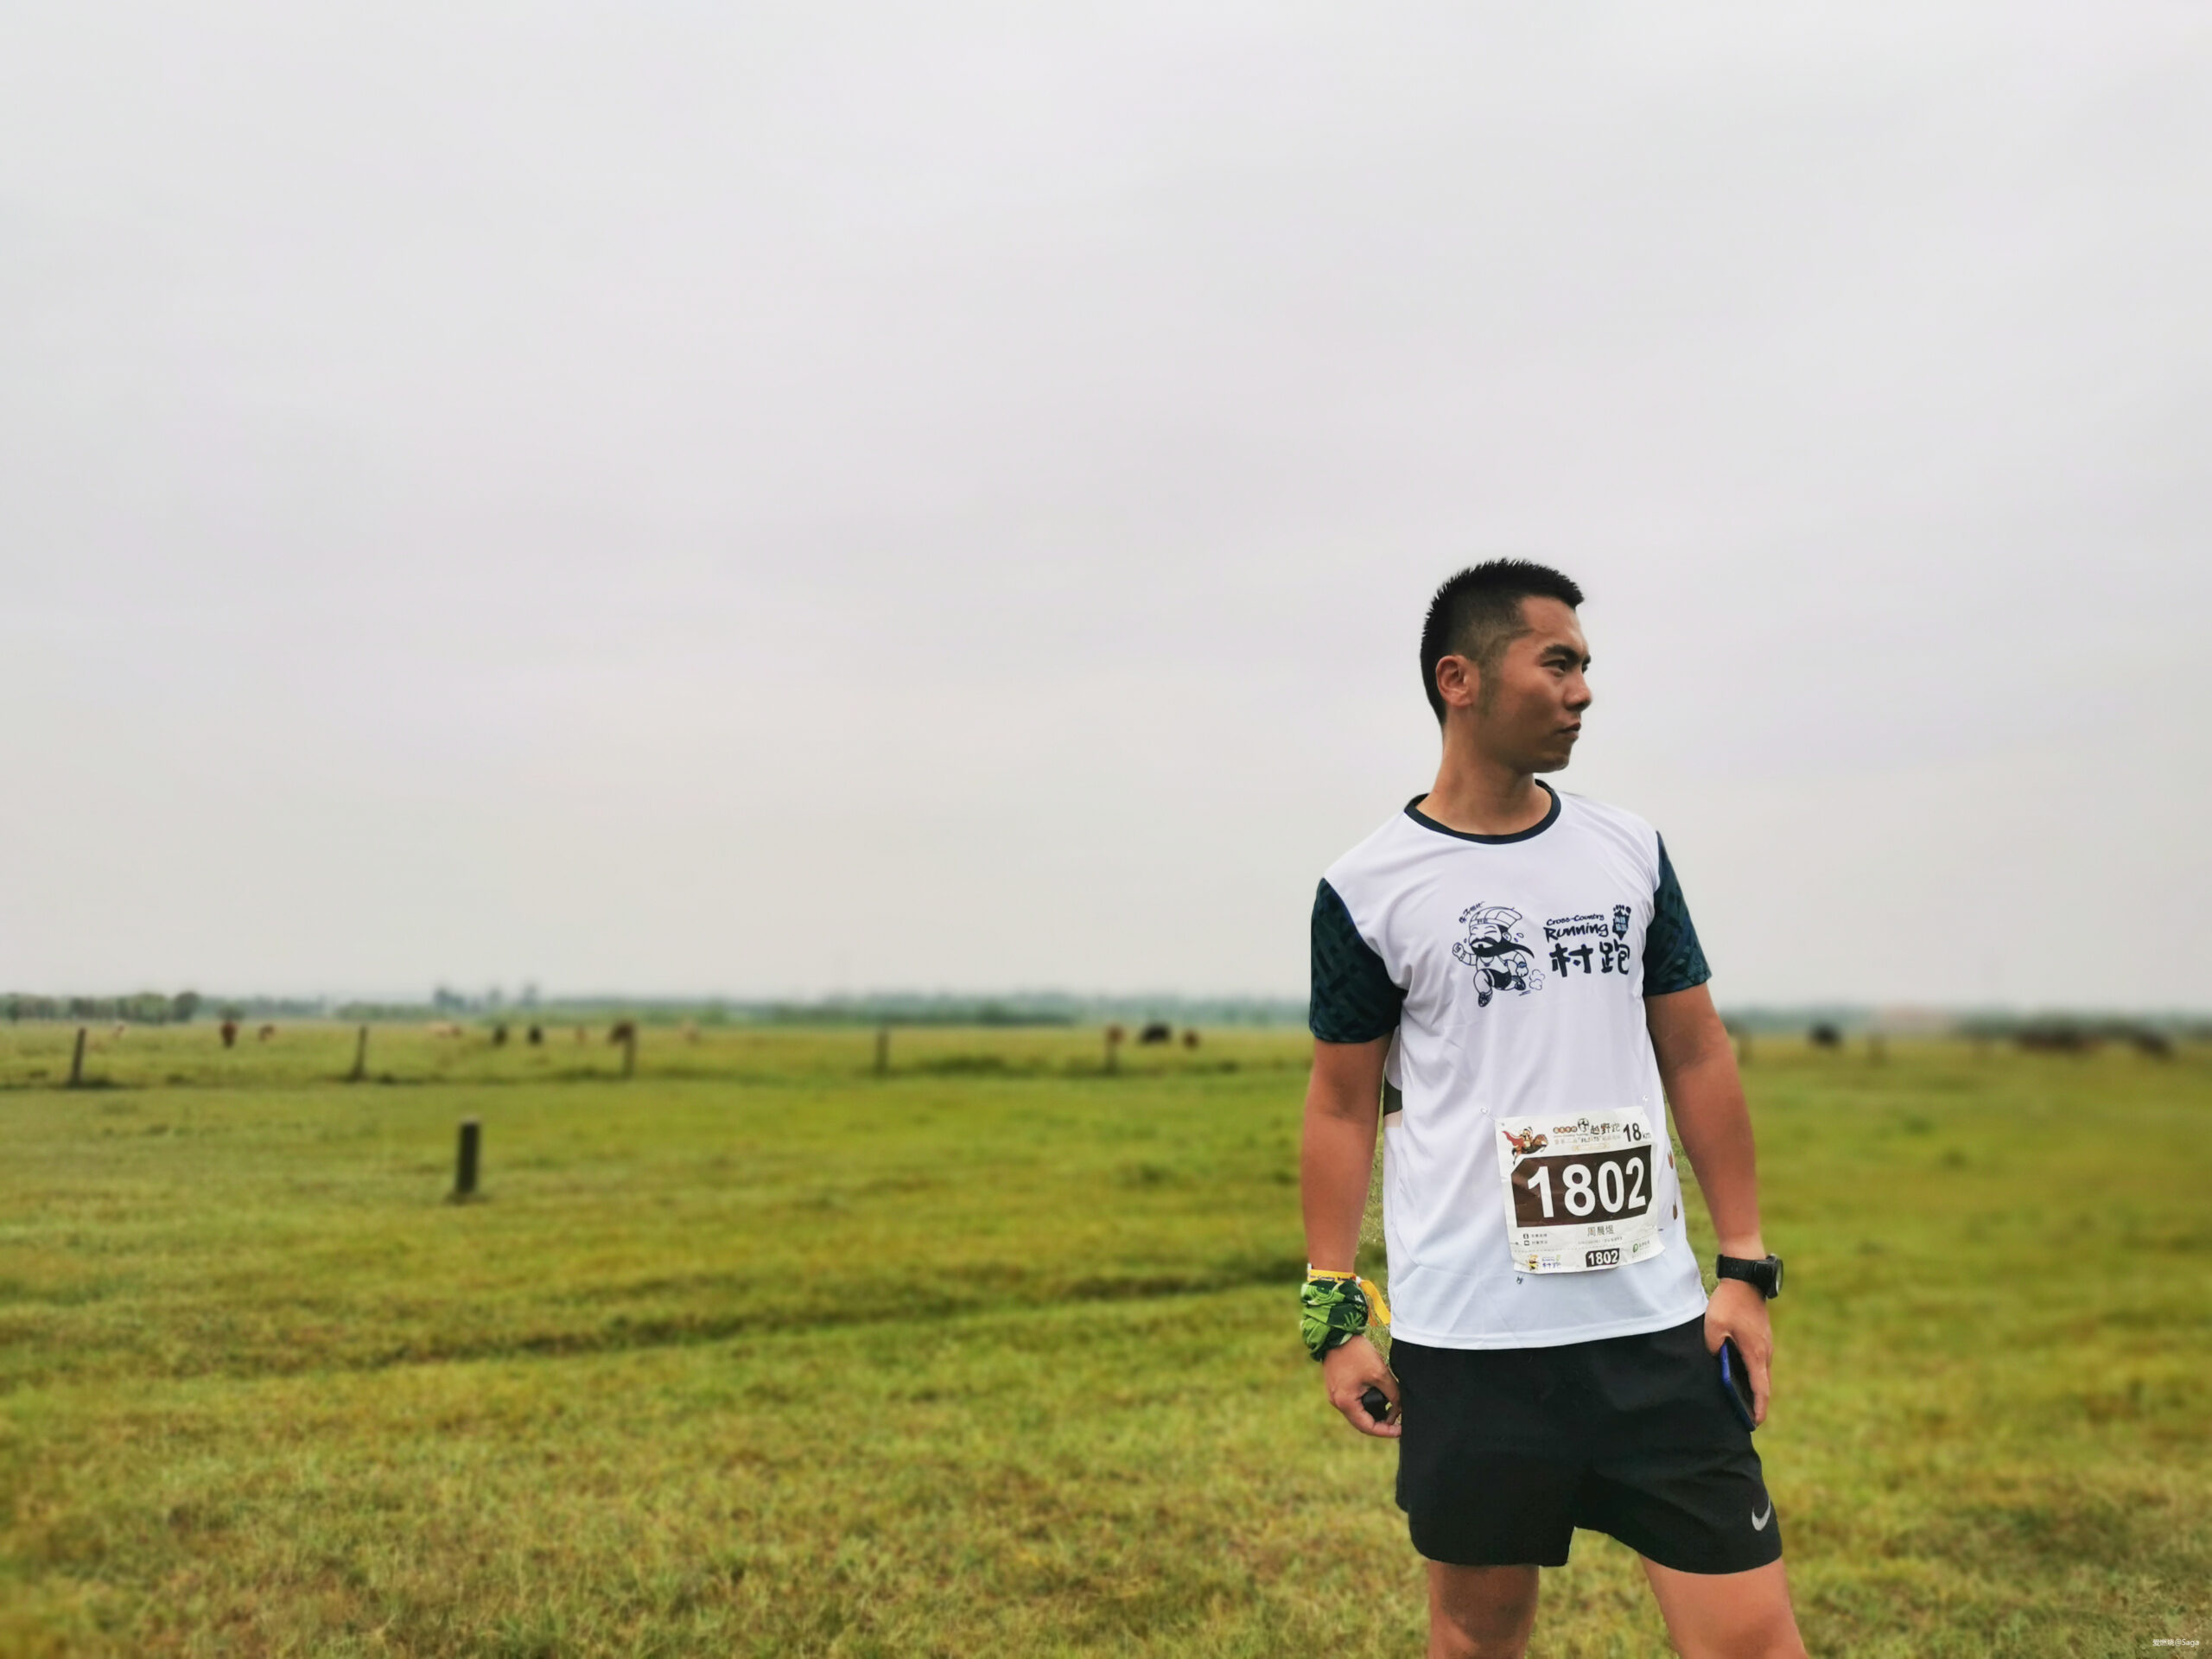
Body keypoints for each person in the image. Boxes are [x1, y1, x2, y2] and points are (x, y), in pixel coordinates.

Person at [1300, 562, 1807, 1659]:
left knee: (1753, 1639)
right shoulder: (1368, 887)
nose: (1583, 692)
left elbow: (1699, 1052)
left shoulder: (1628, 851)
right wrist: (1332, 1312)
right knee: (1480, 1636)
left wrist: (1744, 1267)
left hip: (1653, 1333)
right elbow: (1342, 1108)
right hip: (1470, 1344)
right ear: (1461, 679)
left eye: (1586, 668)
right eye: (1559, 662)